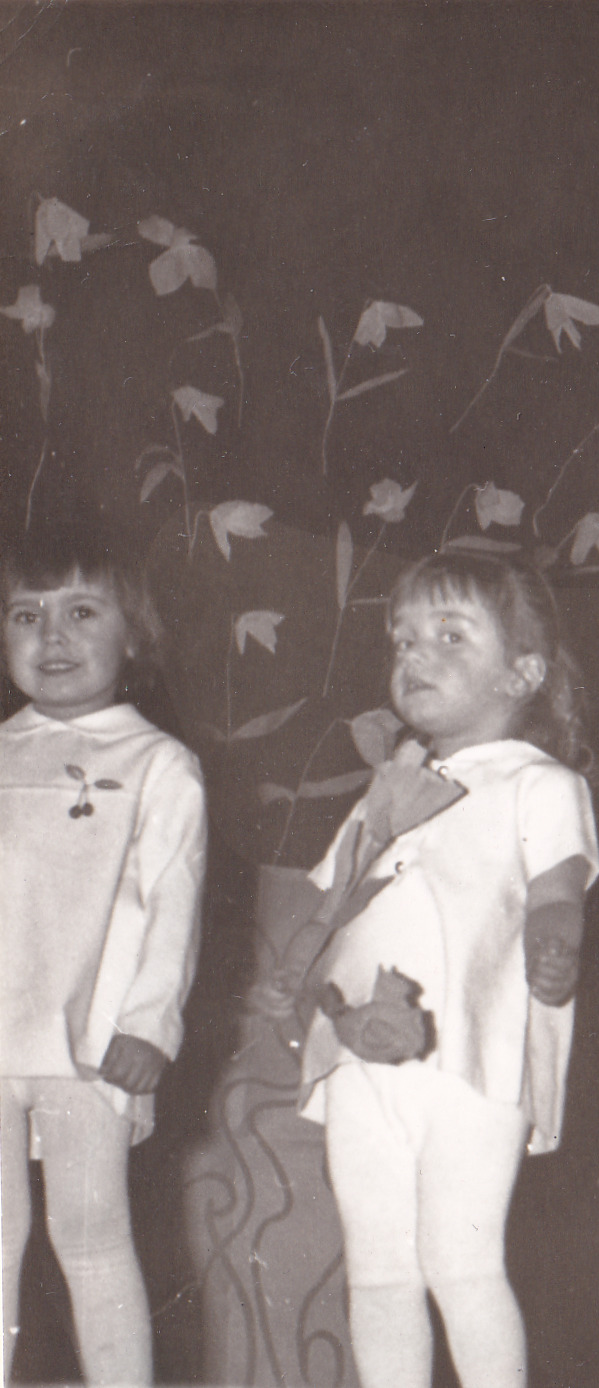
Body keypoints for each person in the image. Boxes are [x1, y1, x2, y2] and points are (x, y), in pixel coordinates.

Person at [280, 551, 598, 1388]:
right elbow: (333, 903)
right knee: (378, 1271)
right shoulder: (388, 789)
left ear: (521, 673)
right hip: (360, 1055)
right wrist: (305, 977)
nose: (415, 654)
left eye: (450, 635)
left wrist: (555, 941)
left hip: (474, 1055)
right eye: (403, 639)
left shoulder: (540, 783)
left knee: (461, 1263)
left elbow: (559, 889)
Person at [1, 521, 207, 1385]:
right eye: (26, 614)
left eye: (82, 611)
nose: (52, 635)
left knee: (88, 1236)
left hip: (90, 1043)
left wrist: (150, 1024)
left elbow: (173, 903)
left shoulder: (158, 763)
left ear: (135, 637)